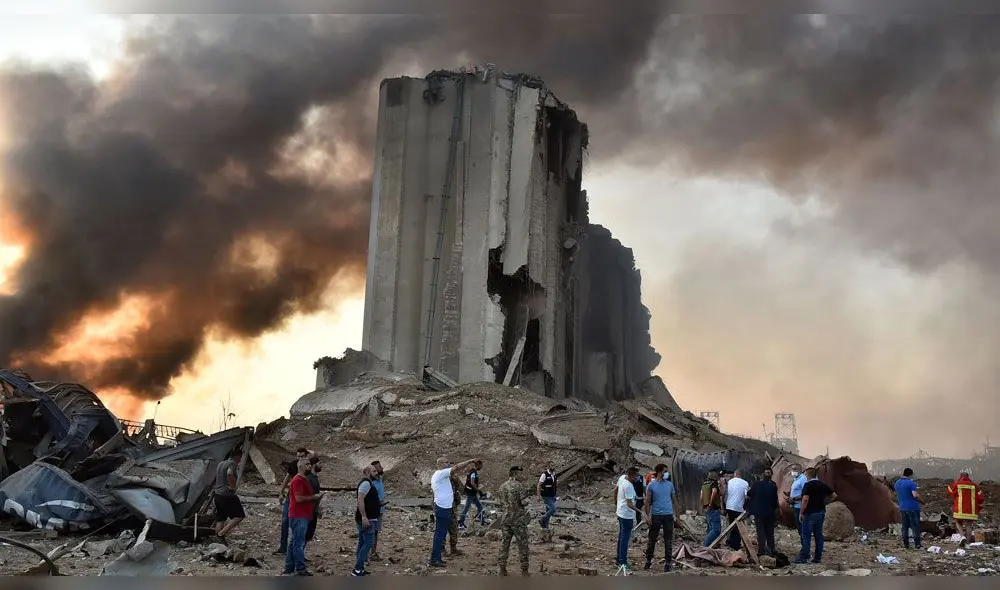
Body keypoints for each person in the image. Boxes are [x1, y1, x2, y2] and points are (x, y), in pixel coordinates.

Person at [428, 457, 480, 568]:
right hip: (442, 508)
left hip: (447, 507)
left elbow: (461, 489)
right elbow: (456, 467)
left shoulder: (447, 476)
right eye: (446, 462)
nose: (449, 464)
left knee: (443, 533)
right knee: (440, 535)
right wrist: (470, 461)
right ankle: (435, 558)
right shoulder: (440, 474)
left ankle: (437, 557)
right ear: (440, 464)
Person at [284, 458, 324, 576]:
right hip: (299, 515)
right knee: (298, 543)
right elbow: (299, 498)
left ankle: (289, 567)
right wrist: (314, 497)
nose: (309, 466)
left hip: (302, 515)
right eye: (307, 464)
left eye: (309, 464)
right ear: (300, 466)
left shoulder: (304, 479)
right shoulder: (298, 480)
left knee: (294, 542)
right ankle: (300, 569)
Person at [796, 467, 837, 564]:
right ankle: (817, 558)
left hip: (809, 513)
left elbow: (805, 499)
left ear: (807, 475)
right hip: (820, 512)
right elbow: (834, 495)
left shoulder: (808, 485)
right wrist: (825, 503)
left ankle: (804, 557)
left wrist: (801, 512)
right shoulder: (822, 484)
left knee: (806, 535)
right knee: (818, 535)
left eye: (805, 475)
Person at [273, 447, 309, 555]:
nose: (300, 459)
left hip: (303, 497)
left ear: (306, 456)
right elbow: (287, 477)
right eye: (298, 456)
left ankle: (297, 549)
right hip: (291, 495)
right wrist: (281, 491)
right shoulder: (294, 464)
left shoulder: (308, 466)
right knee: (285, 521)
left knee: (300, 523)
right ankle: (283, 546)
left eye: (302, 456)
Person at [497, 466, 531, 576]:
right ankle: (524, 570)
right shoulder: (519, 486)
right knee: (523, 544)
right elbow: (524, 502)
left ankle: (502, 568)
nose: (522, 476)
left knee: (504, 543)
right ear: (515, 474)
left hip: (505, 519)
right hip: (518, 519)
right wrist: (528, 499)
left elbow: (500, 502)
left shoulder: (502, 486)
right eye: (520, 473)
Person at [643, 463, 677, 572]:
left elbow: (674, 500)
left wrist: (678, 515)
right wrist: (647, 515)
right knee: (652, 539)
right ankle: (648, 560)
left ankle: (668, 563)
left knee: (668, 540)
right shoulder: (651, 485)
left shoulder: (669, 485)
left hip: (668, 515)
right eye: (665, 471)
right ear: (659, 471)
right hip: (656, 515)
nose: (667, 473)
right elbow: (647, 501)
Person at [352, 465, 380, 576]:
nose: (376, 473)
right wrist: (364, 517)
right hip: (367, 519)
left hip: (368, 518)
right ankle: (358, 568)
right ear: (368, 473)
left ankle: (360, 567)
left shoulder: (369, 484)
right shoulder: (366, 483)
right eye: (374, 471)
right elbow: (360, 500)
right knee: (368, 543)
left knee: (362, 542)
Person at [213, 448, 245, 542]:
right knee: (239, 516)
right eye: (240, 457)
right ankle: (221, 533)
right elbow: (229, 473)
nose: (240, 460)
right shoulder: (232, 464)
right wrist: (232, 486)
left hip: (218, 495)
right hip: (226, 495)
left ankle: (218, 538)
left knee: (221, 518)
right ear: (237, 456)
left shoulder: (221, 463)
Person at [747, 468, 779, 556]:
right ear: (771, 475)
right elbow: (775, 500)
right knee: (770, 532)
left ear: (762, 475)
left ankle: (761, 551)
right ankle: (771, 550)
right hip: (770, 512)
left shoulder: (757, 484)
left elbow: (749, 493)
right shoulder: (773, 486)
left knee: (761, 532)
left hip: (759, 512)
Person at [947, 471, 986, 540]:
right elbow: (981, 497)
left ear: (960, 477)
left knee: (958, 522)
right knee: (969, 525)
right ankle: (968, 541)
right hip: (971, 510)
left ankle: (962, 537)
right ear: (968, 477)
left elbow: (950, 491)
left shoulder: (957, 484)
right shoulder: (974, 485)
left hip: (960, 509)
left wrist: (955, 496)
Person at [615, 466, 639, 571]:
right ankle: (623, 562)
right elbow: (630, 504)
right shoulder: (628, 486)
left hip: (621, 512)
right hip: (626, 514)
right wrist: (641, 511)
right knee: (625, 539)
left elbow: (615, 490)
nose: (637, 478)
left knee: (621, 537)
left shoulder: (622, 479)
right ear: (631, 476)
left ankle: (619, 560)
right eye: (636, 476)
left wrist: (616, 504)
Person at [893, 467, 922, 549]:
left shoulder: (897, 483)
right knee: (915, 527)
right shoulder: (910, 483)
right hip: (913, 508)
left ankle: (906, 544)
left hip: (902, 507)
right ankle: (917, 545)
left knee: (905, 527)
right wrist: (922, 501)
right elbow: (915, 495)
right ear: (911, 475)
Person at [724, 469, 749, 550]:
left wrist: (725, 505)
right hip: (738, 508)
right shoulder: (745, 483)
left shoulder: (730, 482)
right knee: (738, 527)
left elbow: (726, 494)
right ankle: (735, 545)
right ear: (741, 475)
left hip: (729, 507)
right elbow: (746, 496)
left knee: (730, 525)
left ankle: (729, 541)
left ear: (735, 474)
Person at [459, 460, 485, 529]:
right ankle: (461, 523)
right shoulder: (473, 473)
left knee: (480, 507)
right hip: (470, 493)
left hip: (472, 493)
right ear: (478, 465)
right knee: (466, 508)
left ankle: (482, 521)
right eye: (481, 465)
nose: (481, 467)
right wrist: (478, 490)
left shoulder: (473, 472)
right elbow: (472, 483)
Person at [369, 460, 387, 562]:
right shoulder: (371, 483)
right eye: (379, 467)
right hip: (374, 511)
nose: (381, 468)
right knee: (372, 532)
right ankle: (370, 553)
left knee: (376, 532)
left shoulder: (379, 479)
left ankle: (373, 552)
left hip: (380, 510)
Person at [304, 456, 322, 556]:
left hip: (313, 510)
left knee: (309, 533)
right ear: (314, 465)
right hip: (308, 511)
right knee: (305, 533)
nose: (321, 465)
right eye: (320, 463)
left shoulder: (314, 478)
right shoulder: (309, 478)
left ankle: (302, 554)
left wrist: (317, 509)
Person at [701, 470, 722, 547]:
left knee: (710, 528)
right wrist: (710, 504)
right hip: (713, 508)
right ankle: (705, 546)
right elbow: (714, 492)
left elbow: (701, 496)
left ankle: (711, 546)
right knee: (716, 530)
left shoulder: (704, 484)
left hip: (706, 509)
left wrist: (704, 506)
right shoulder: (714, 483)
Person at [447, 471, 465, 557]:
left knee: (454, 528)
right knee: (442, 529)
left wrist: (456, 480)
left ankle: (453, 548)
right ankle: (442, 549)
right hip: (444, 507)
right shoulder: (441, 481)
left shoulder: (454, 481)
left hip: (452, 507)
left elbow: (461, 490)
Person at [537, 463, 557, 529]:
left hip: (552, 496)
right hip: (546, 496)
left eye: (554, 465)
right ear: (549, 466)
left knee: (548, 511)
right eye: (552, 465)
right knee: (553, 509)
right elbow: (539, 485)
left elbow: (554, 485)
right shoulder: (544, 474)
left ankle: (545, 526)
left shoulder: (554, 474)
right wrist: (538, 496)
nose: (553, 467)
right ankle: (542, 519)